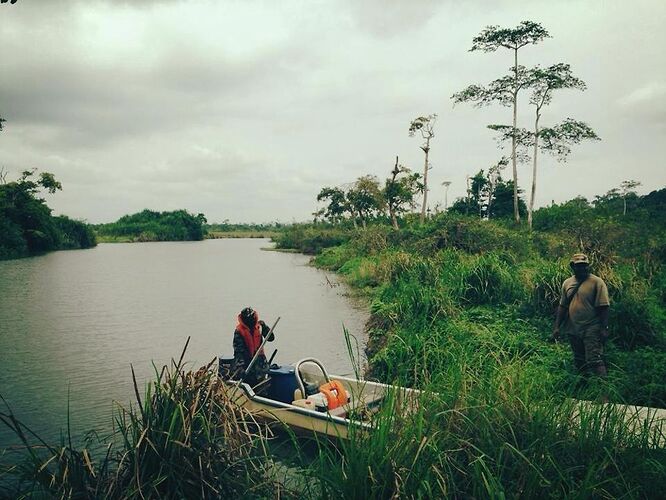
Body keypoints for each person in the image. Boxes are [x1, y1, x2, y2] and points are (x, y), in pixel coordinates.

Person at [551, 253, 610, 377]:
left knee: (594, 360)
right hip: (573, 328)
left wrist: (604, 328)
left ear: (588, 266)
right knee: (579, 360)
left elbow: (604, 306)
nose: (582, 268)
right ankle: (583, 387)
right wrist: (557, 327)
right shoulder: (567, 283)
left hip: (591, 327)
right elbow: (563, 306)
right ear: (573, 266)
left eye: (584, 265)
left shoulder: (597, 282)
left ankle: (604, 392)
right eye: (579, 266)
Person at [232, 307, 275, 387]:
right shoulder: (239, 331)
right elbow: (238, 351)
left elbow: (271, 338)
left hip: (260, 362)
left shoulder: (260, 326)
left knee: (263, 386)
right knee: (249, 384)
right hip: (247, 363)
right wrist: (240, 368)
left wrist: (265, 328)